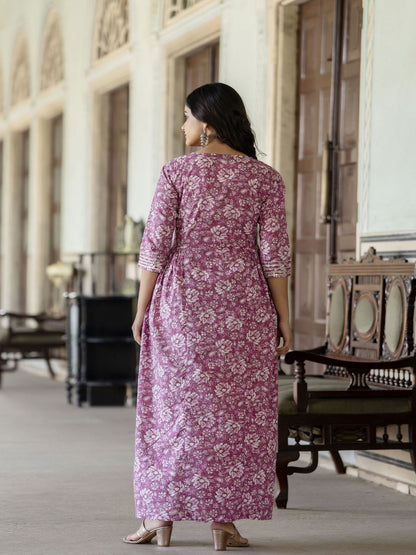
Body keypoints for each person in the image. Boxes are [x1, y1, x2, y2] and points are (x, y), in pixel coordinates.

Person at [123, 83, 292, 551]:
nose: (182, 126)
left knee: (170, 411)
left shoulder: (176, 173)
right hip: (244, 307)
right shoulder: (264, 178)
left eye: (186, 117)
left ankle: (160, 518)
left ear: (208, 125)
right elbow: (275, 256)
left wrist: (141, 309)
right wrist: (284, 317)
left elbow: (153, 248)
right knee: (235, 415)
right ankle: (223, 522)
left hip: (181, 304)